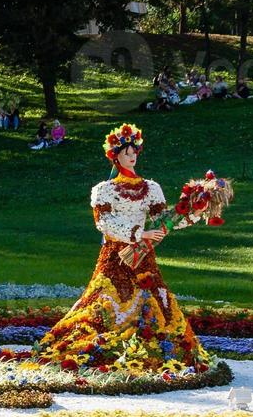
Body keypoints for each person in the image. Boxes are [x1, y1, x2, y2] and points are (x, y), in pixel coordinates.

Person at [34, 124, 211, 373]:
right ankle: (104, 348)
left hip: (143, 257)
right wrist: (140, 234)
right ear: (114, 155)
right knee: (105, 302)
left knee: (155, 301)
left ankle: (158, 349)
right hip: (115, 256)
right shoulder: (104, 190)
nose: (132, 155)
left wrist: (193, 210)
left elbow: (164, 221)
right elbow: (104, 223)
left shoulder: (151, 188)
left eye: (135, 151)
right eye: (127, 151)